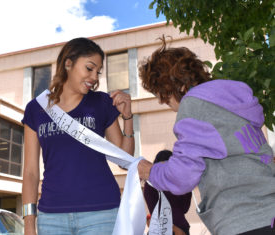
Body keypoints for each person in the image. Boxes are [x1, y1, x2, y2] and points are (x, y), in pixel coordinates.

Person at [137, 36, 275, 235]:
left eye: (160, 91)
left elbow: (182, 176)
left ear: (175, 83)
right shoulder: (232, 100)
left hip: (241, 220)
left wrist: (150, 171)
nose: (160, 100)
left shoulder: (194, 105)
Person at [22, 37, 134, 235]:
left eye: (98, 71)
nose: (94, 77)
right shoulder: (36, 109)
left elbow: (124, 160)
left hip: (102, 213)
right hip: (51, 216)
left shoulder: (101, 103)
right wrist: (29, 223)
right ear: (68, 63)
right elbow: (31, 171)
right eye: (89, 68)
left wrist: (128, 118)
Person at [143, 150, 191, 235]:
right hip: (178, 227)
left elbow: (154, 211)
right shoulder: (181, 182)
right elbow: (184, 208)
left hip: (162, 228)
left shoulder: (150, 185)